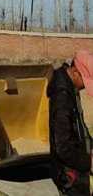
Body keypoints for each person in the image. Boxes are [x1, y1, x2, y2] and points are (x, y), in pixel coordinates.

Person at [47, 50, 93, 195]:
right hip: (70, 178)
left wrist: (91, 145)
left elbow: (79, 126)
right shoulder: (62, 97)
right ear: (75, 72)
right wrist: (89, 163)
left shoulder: (71, 87)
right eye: (85, 82)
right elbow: (63, 148)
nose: (84, 87)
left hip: (76, 172)